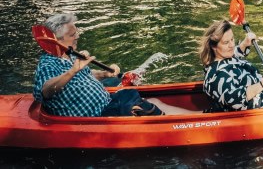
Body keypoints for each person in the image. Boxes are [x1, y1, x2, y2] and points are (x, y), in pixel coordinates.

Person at [33, 11, 169, 117]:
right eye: (72, 35)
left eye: (76, 32)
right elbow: (46, 91)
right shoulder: (48, 64)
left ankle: (174, 119)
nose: (77, 37)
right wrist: (72, 71)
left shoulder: (70, 55)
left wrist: (104, 74)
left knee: (152, 102)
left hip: (108, 103)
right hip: (97, 117)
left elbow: (83, 76)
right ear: (57, 40)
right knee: (144, 109)